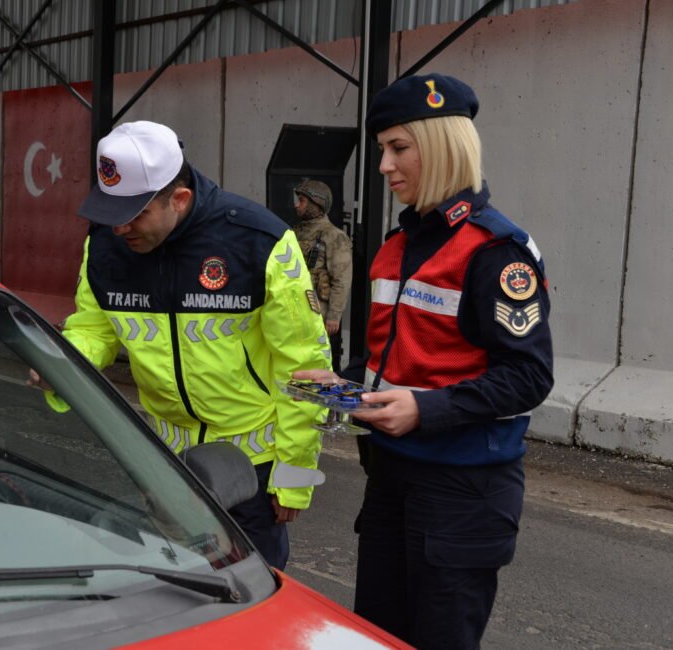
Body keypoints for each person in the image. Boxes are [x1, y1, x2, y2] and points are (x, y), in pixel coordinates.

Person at [294, 74, 553, 649]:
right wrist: (341, 385)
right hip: (390, 478)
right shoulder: (397, 245)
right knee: (378, 636)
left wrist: (426, 410)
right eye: (382, 149)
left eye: (398, 148)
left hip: (461, 491)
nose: (384, 165)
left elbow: (529, 376)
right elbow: (388, 357)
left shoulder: (496, 251)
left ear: (440, 147)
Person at [47, 120, 332, 570]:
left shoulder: (259, 242)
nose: (120, 229)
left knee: (251, 598)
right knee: (173, 594)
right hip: (167, 465)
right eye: (112, 213)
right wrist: (60, 364)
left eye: (136, 213)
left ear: (178, 199)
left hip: (251, 469)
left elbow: (305, 365)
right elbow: (93, 329)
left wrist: (294, 477)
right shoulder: (104, 246)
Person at [291, 178, 352, 370]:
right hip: (294, 311)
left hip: (318, 313)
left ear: (316, 203)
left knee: (316, 364)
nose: (296, 205)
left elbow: (341, 278)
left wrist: (334, 315)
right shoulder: (295, 232)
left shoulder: (334, 236)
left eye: (302, 201)